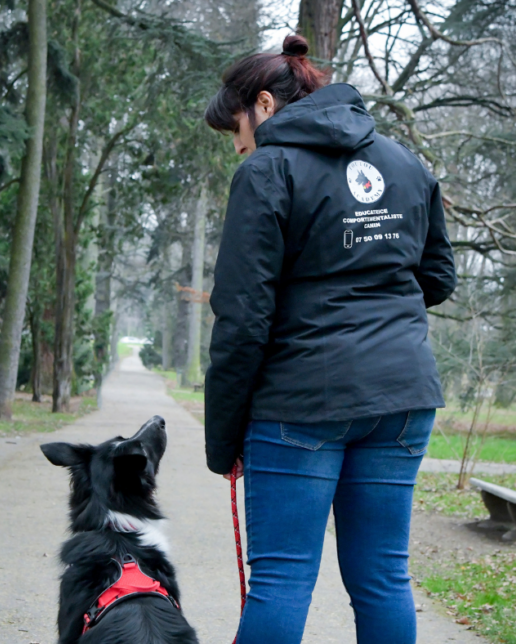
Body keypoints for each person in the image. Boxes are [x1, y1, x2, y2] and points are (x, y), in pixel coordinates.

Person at [203, 34, 456, 644]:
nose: (238, 144)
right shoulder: (402, 161)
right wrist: (377, 315)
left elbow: (242, 318)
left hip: (302, 404)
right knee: (384, 578)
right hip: (401, 398)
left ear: (263, 104)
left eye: (235, 126)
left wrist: (223, 441)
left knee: (283, 581)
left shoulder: (267, 170)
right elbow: (438, 277)